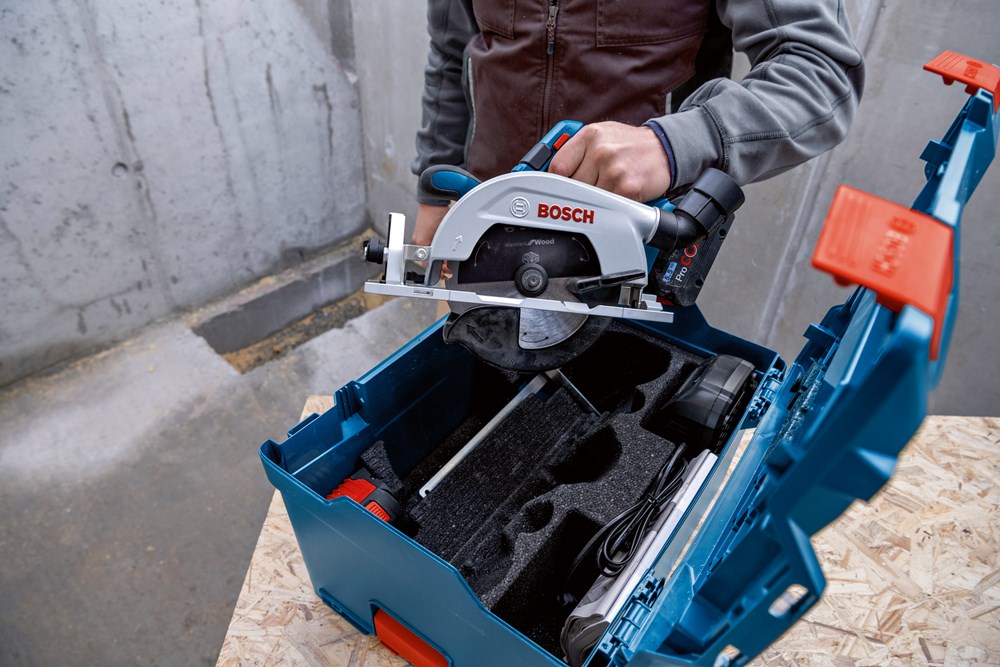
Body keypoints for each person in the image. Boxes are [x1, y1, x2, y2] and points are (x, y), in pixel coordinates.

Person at [410, 0, 865, 247]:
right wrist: (434, 191)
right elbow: (452, 53)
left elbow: (820, 71)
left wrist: (674, 144)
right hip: (486, 212)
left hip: (635, 234)